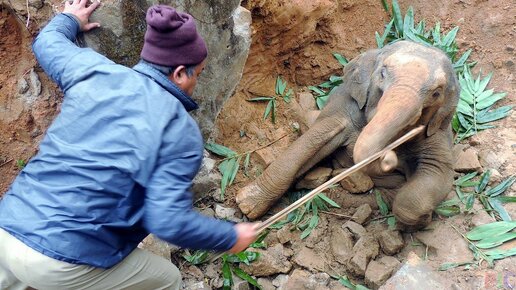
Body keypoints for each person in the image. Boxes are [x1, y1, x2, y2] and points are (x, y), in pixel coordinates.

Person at [0, 1, 258, 289]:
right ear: (180, 73)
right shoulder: (179, 131)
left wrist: (70, 19)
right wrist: (230, 237)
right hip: (61, 261)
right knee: (167, 280)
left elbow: (48, 41)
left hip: (8, 228)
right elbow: (168, 222)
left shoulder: (92, 69)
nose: (196, 81)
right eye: (199, 73)